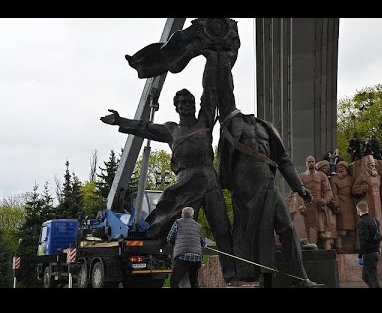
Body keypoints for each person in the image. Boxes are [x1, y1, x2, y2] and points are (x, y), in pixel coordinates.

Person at [100, 51, 237, 284]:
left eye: (189, 102)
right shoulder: (171, 129)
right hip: (186, 182)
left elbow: (210, 92)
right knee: (172, 228)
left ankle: (233, 274)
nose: (185, 105)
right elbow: (144, 127)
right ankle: (180, 276)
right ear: (176, 108)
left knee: (222, 228)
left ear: (194, 105)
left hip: (209, 178)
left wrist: (211, 60)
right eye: (181, 103)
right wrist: (121, 121)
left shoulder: (204, 121)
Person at [215, 49, 321, 287]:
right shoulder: (232, 123)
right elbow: (224, 90)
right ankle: (247, 275)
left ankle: (301, 278)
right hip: (244, 186)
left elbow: (282, 159)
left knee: (286, 226)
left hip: (267, 183)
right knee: (247, 231)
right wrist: (222, 60)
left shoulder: (266, 127)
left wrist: (300, 188)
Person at [167, 207, 206, 288]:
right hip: (197, 258)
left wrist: (176, 243)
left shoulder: (178, 223)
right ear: (192, 215)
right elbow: (203, 243)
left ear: (182, 215)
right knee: (194, 282)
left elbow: (169, 238)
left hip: (182, 257)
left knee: (174, 282)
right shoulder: (198, 226)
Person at [356, 200, 381, 288]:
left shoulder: (362, 222)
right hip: (375, 252)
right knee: (365, 277)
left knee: (373, 279)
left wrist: (359, 255)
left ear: (358, 211)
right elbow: (379, 236)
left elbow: (364, 241)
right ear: (368, 209)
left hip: (369, 253)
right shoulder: (375, 221)